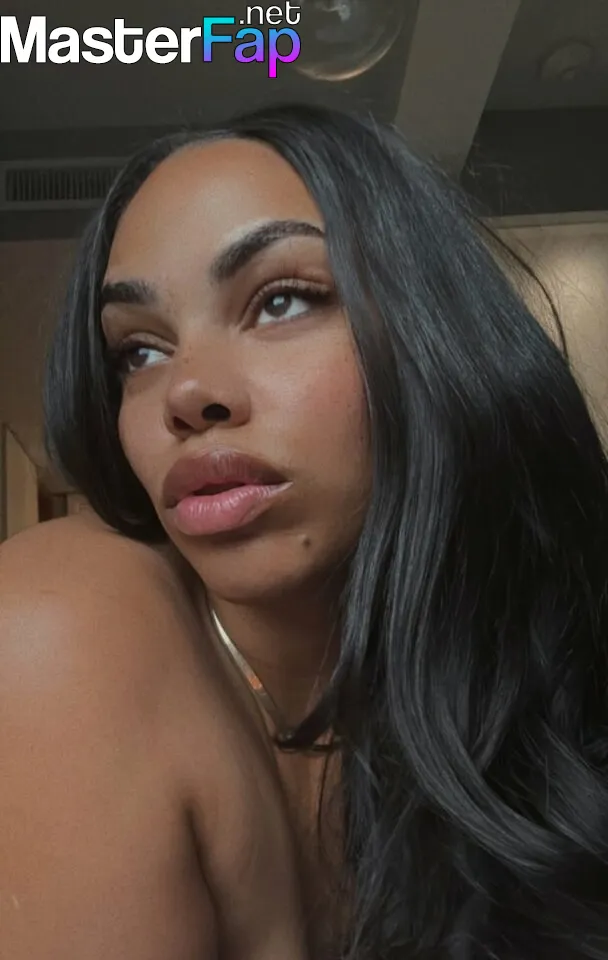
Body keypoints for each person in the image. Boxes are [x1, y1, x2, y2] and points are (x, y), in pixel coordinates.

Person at [1, 103, 607, 960]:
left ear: (434, 333)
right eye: (139, 351)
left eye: (281, 301)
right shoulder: (60, 620)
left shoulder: (529, 679)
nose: (187, 393)